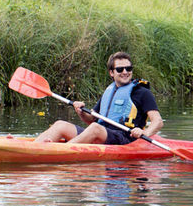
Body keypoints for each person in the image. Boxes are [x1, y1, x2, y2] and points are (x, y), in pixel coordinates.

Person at [35, 52, 163, 144]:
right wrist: (80, 112)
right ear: (111, 73)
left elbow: (158, 121)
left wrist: (144, 132)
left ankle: (59, 152)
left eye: (128, 68)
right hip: (103, 133)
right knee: (60, 125)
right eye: (120, 69)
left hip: (125, 138)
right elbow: (92, 120)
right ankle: (34, 146)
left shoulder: (142, 92)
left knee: (95, 128)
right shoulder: (109, 91)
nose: (125, 72)